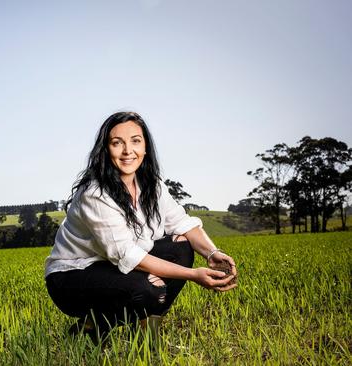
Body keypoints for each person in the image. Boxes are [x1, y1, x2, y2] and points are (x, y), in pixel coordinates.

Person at [44, 111, 237, 344]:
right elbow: (128, 254)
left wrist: (212, 253)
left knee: (181, 246)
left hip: (113, 266)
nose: (128, 151)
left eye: (136, 141)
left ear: (146, 147)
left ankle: (146, 333)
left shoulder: (152, 186)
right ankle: (91, 327)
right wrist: (193, 275)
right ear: (106, 150)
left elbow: (183, 223)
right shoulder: (94, 194)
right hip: (72, 278)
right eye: (117, 143)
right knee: (148, 289)